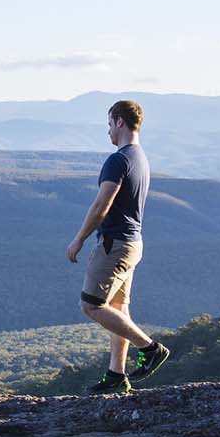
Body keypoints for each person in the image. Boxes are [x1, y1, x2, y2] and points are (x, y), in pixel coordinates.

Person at [66, 99, 169, 394]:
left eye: (109, 124)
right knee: (118, 308)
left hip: (115, 244)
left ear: (120, 122)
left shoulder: (118, 159)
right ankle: (116, 375)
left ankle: (149, 348)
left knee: (91, 304)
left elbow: (103, 202)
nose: (109, 131)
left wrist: (79, 238)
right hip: (133, 243)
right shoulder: (140, 157)